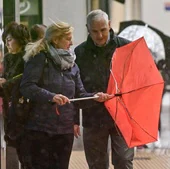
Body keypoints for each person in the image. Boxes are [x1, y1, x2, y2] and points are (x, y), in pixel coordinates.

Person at [18, 20, 111, 169]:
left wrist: (95, 97)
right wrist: (51, 96)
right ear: (56, 39)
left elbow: (79, 97)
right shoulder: (40, 58)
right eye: (68, 38)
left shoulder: (72, 65)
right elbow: (27, 86)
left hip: (64, 131)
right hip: (40, 128)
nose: (72, 42)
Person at [74, 9, 134, 169]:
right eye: (94, 31)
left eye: (103, 30)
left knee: (123, 160)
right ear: (87, 28)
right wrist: (74, 119)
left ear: (109, 25)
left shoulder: (126, 47)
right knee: (96, 164)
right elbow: (75, 87)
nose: (100, 35)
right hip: (93, 116)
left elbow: (136, 81)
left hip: (121, 115)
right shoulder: (80, 52)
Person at [0, 21, 30, 169]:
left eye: (10, 39)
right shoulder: (7, 58)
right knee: (14, 147)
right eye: (5, 39)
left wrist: (6, 83)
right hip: (10, 110)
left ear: (19, 39)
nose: (7, 43)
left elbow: (25, 80)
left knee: (27, 155)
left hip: (25, 112)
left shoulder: (28, 57)